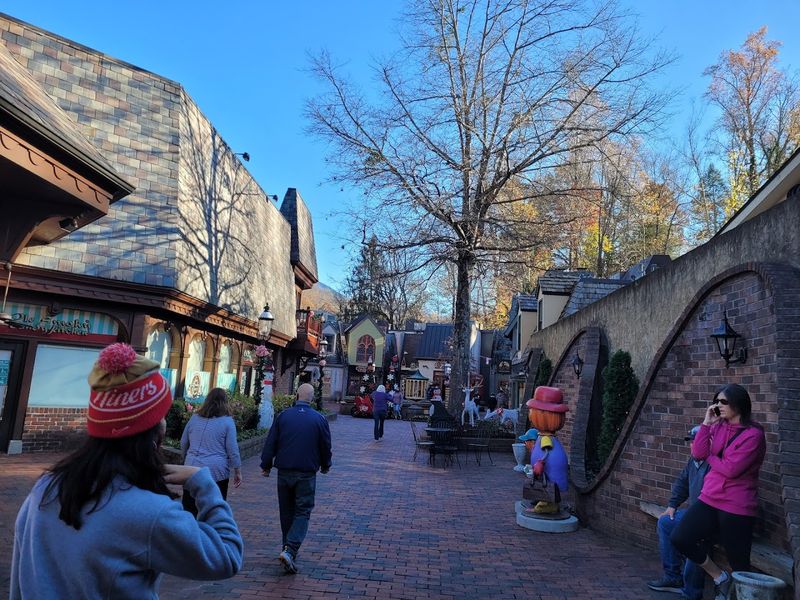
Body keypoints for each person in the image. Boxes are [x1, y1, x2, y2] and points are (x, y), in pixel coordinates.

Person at [10, 343, 243, 599]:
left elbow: (20, 578)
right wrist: (203, 482)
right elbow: (226, 556)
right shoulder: (151, 511)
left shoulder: (46, 487)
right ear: (155, 431)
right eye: (161, 414)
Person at [671, 384, 766, 600]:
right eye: (716, 401)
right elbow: (697, 452)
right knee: (681, 537)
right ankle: (719, 577)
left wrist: (710, 458)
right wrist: (706, 424)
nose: (718, 406)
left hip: (737, 504)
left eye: (723, 402)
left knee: (739, 562)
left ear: (738, 404)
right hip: (710, 498)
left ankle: (739, 595)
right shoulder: (718, 426)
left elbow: (731, 470)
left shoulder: (753, 435)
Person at [260, 383, 332, 574]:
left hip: (284, 472)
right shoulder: (319, 419)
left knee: (286, 511)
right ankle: (290, 550)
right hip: (306, 473)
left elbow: (271, 442)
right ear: (312, 397)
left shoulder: (283, 416)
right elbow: (325, 445)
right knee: (302, 512)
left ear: (296, 395)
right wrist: (326, 465)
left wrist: (265, 465)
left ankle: (287, 549)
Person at [646, 426, 710, 599]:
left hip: (710, 517)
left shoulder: (714, 464)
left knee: (692, 536)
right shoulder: (693, 461)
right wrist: (672, 505)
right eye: (690, 441)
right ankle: (673, 577)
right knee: (666, 522)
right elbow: (682, 483)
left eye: (696, 441)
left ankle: (693, 592)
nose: (692, 445)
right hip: (693, 513)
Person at [181, 387, 243, 516]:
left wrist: (185, 458)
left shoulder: (194, 418)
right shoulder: (227, 422)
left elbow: (183, 442)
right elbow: (232, 449)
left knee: (189, 509)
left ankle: (189, 534)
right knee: (215, 511)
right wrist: (237, 470)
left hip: (192, 468)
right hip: (216, 471)